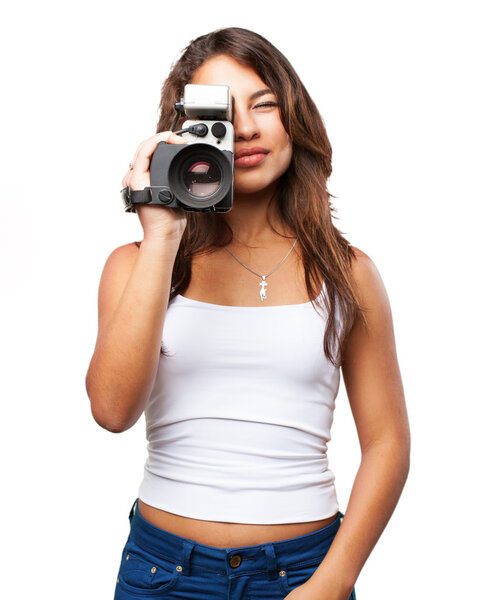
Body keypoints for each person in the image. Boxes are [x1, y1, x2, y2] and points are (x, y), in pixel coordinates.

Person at [86, 27, 410, 600]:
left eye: (265, 104)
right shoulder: (136, 264)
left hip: (306, 572)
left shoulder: (347, 272)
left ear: (295, 118)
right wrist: (162, 232)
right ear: (182, 132)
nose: (245, 129)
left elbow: (387, 442)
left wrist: (335, 580)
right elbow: (112, 411)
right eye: (218, 112)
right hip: (164, 575)